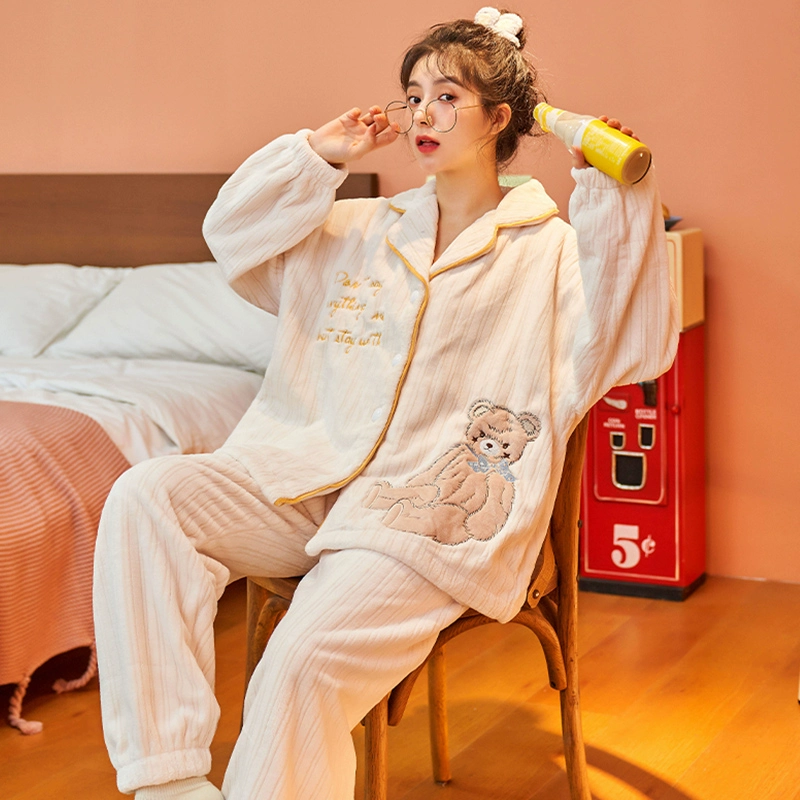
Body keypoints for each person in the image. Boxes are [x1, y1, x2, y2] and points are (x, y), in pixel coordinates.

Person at [93, 7, 678, 800]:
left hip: (426, 516)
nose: (422, 114)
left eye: (447, 97)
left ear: (498, 119)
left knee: (300, 662)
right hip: (307, 477)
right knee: (145, 497)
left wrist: (612, 194)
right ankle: (167, 781)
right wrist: (316, 156)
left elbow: (626, 336)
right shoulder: (356, 229)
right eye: (414, 95)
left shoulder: (549, 254)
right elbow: (232, 237)